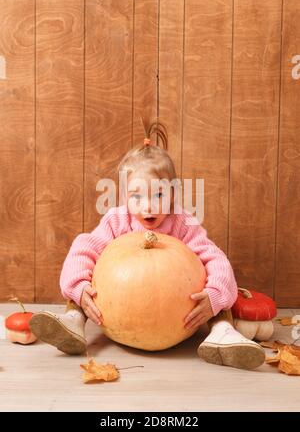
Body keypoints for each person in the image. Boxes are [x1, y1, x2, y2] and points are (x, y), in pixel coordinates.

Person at [30, 131, 265, 370]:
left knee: (216, 290)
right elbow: (83, 250)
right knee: (83, 280)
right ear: (124, 197)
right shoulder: (116, 221)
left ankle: (222, 332)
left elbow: (215, 258)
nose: (148, 205)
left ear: (173, 194)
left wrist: (215, 296)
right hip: (119, 312)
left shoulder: (182, 223)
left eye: (159, 194)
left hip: (179, 316)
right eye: (137, 196)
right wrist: (78, 287)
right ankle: (74, 320)